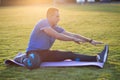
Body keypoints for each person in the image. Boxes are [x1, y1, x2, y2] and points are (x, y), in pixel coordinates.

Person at [14, 8, 108, 69]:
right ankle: (22, 58)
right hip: (33, 52)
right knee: (34, 63)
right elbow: (57, 36)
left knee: (69, 54)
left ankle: (97, 58)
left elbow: (73, 35)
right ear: (50, 16)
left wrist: (90, 40)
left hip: (46, 53)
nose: (59, 18)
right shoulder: (43, 23)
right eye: (57, 16)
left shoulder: (57, 27)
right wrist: (73, 39)